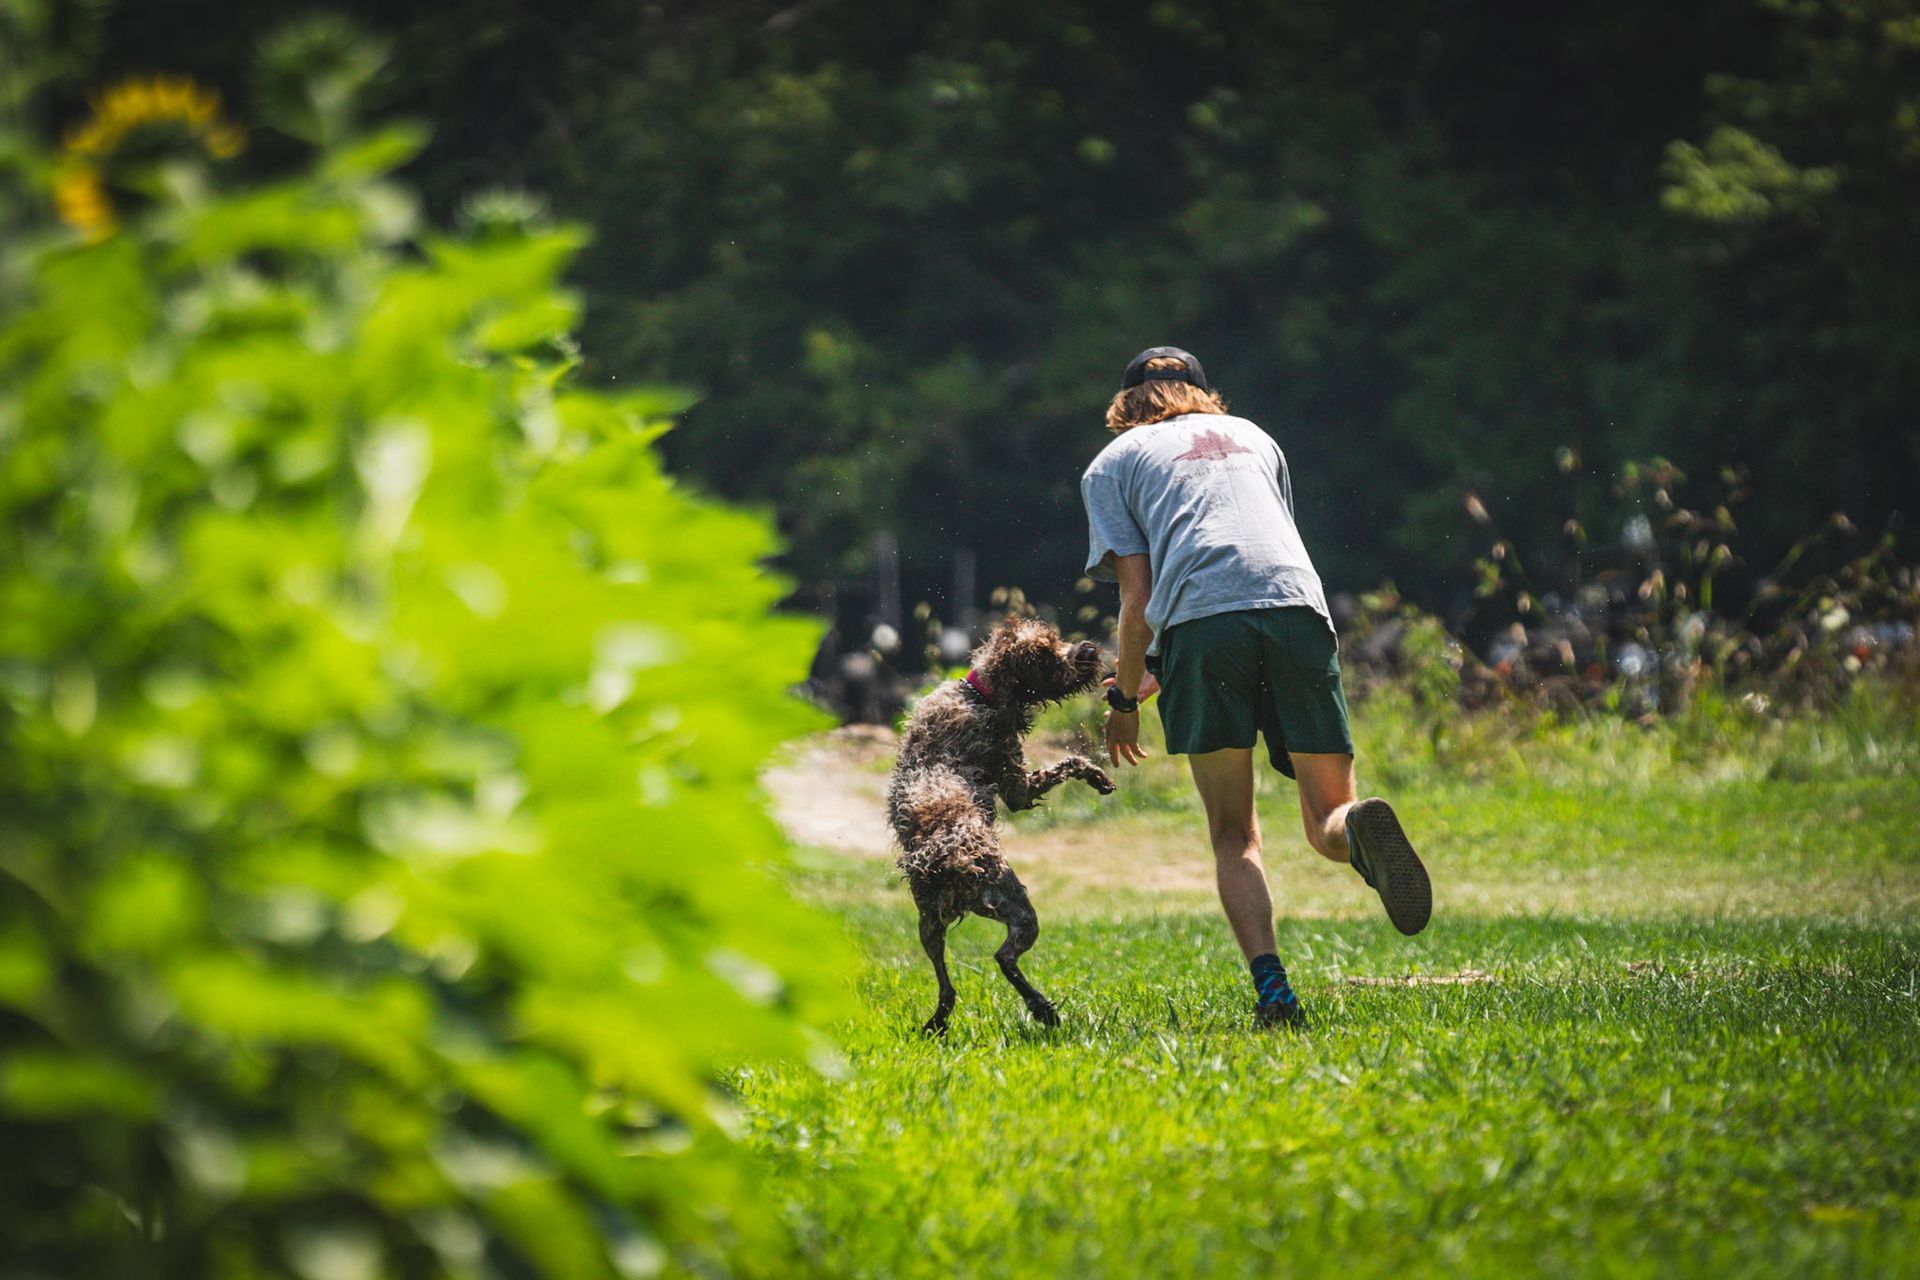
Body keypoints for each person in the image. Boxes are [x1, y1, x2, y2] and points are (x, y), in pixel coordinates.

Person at [1081, 346, 1431, 1029]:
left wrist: (1123, 698)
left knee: (1234, 833)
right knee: (1328, 815)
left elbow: (1137, 598)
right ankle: (1356, 825)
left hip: (1202, 626)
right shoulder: (1255, 438)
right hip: (1299, 610)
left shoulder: (1114, 463)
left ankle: (1275, 993)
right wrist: (1162, 665)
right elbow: (1252, 551)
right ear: (1204, 393)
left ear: (1125, 405)